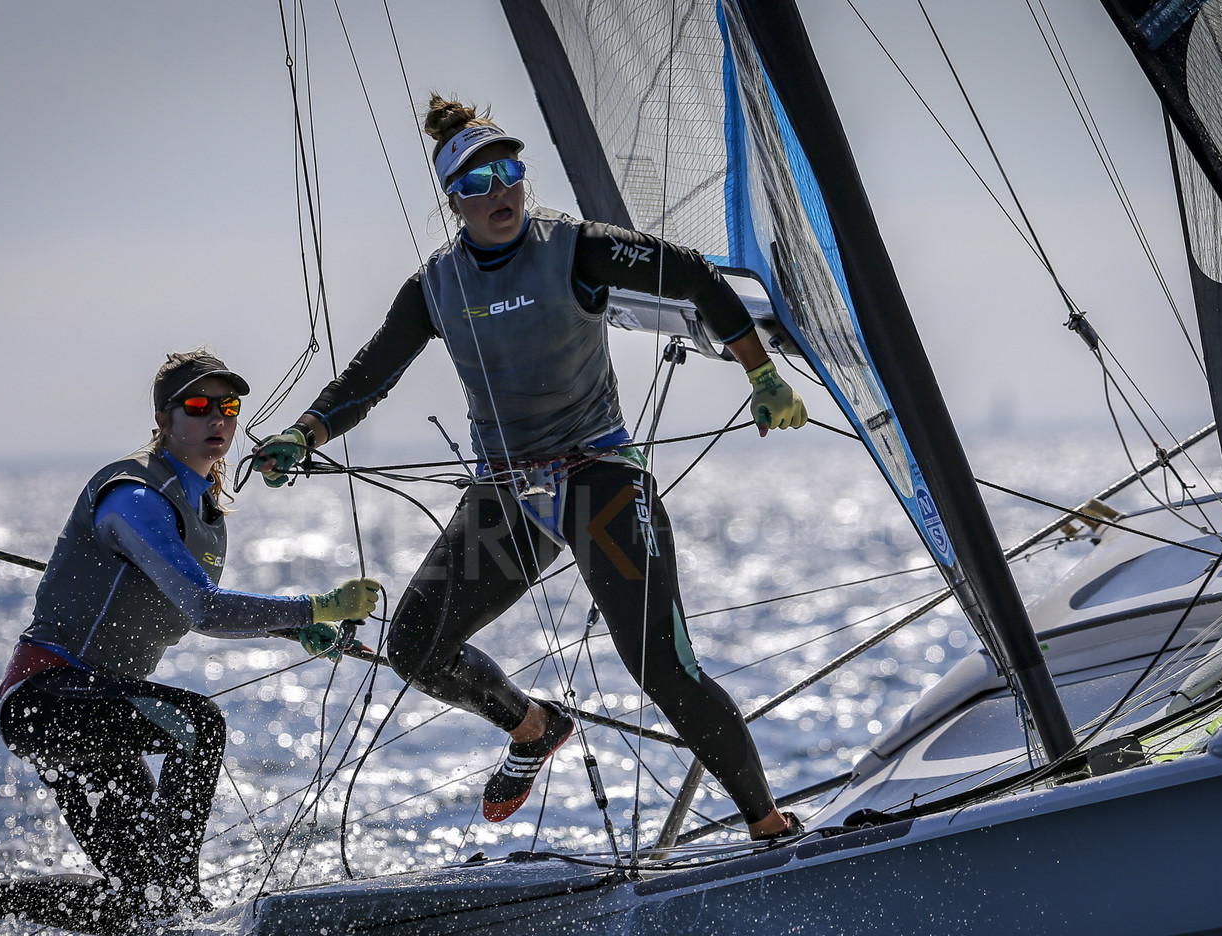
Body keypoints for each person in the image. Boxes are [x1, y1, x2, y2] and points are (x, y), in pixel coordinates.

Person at [253, 97, 808, 840]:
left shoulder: (574, 247)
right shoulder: (437, 287)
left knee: (660, 666)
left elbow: (694, 275)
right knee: (415, 645)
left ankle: (767, 823)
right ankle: (533, 728)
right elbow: (370, 373)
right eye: (477, 183)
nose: (500, 192)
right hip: (509, 497)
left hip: (599, 481)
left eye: (508, 172)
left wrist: (761, 375)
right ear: (453, 201)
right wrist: (305, 432)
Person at [0, 350, 380, 936]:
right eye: (197, 407)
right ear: (163, 419)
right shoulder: (135, 496)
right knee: (198, 725)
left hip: (95, 714)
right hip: (46, 698)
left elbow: (188, 607)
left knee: (136, 905)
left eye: (228, 407)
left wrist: (296, 633)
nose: (216, 419)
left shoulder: (202, 502)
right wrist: (312, 609)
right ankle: (186, 905)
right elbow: (201, 608)